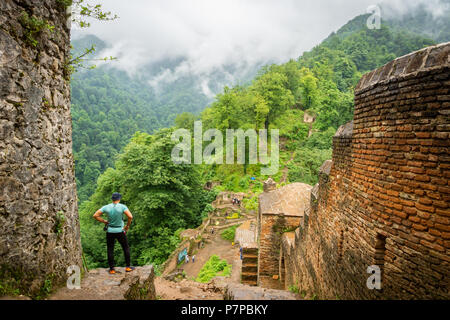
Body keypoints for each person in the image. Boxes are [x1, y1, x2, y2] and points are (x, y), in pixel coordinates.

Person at [93, 192, 135, 275]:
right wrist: (127, 226)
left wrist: (104, 221)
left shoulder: (106, 207)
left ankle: (112, 269)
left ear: (112, 199)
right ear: (119, 199)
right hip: (120, 230)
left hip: (110, 231)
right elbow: (130, 216)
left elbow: (95, 215)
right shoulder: (123, 207)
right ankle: (128, 267)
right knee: (125, 247)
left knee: (110, 249)